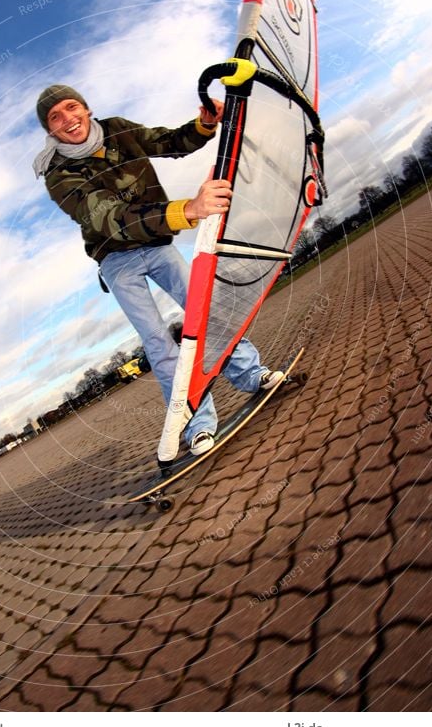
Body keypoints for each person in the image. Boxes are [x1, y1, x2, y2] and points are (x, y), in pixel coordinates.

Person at [33, 84, 283, 455]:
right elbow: (106, 217)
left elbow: (168, 142)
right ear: (50, 130)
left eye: (72, 108)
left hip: (157, 245)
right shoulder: (57, 174)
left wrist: (203, 124)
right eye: (56, 117)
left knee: (206, 311)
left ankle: (250, 374)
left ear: (86, 108)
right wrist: (187, 211)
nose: (68, 119)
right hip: (116, 259)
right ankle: (195, 424)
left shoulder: (118, 129)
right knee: (159, 342)